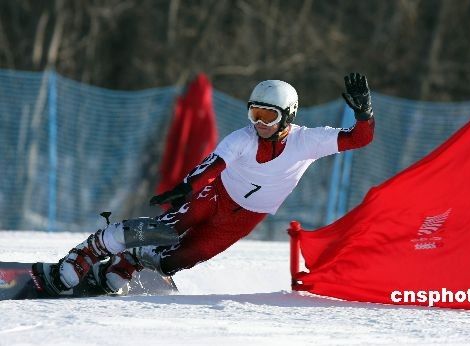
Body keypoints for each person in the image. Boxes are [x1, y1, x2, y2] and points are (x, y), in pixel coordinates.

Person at [38, 72, 376, 295]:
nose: (258, 123)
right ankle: (87, 253)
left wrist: (364, 114)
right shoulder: (242, 138)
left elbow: (360, 139)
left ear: (288, 115)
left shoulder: (309, 141)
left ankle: (130, 261)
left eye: (267, 116)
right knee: (167, 229)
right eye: (254, 114)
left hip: (246, 216)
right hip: (216, 195)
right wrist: (187, 187)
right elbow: (214, 165)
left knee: (181, 258)